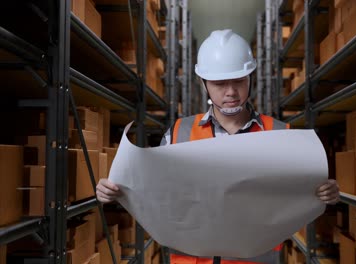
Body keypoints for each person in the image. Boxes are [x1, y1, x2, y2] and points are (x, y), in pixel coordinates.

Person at [97, 29, 340, 263]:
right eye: (220, 84)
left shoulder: (279, 136)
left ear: (250, 78)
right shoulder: (179, 133)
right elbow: (157, 193)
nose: (231, 92)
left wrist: (321, 194)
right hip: (190, 260)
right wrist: (119, 191)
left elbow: (295, 196)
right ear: (204, 83)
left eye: (239, 81)